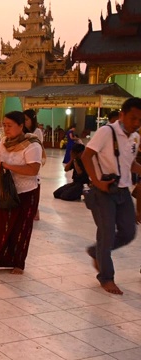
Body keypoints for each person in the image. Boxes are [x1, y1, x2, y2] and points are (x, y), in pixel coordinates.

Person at [83, 97, 141, 295]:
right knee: (106, 234)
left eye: (140, 120)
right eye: (133, 118)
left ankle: (96, 252)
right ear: (122, 115)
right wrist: (97, 182)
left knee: (128, 232)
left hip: (123, 190)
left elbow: (129, 163)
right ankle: (106, 277)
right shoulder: (106, 132)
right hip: (104, 190)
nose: (136, 124)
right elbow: (86, 156)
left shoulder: (135, 137)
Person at [0, 111, 42, 274]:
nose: (6, 129)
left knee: (21, 228)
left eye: (10, 125)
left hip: (26, 192)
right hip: (5, 191)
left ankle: (18, 264)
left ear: (21, 126)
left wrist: (5, 165)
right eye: (4, 125)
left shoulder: (32, 144)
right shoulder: (4, 141)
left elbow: (33, 169)